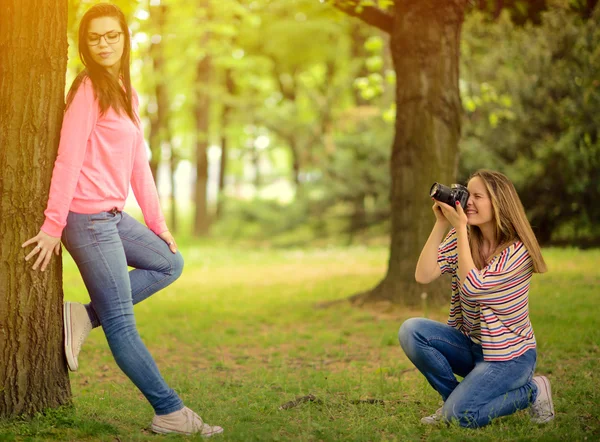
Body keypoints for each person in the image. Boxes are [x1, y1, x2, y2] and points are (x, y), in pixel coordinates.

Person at [21, 3, 223, 437]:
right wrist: (53, 225)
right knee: (121, 321)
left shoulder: (123, 90)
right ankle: (169, 412)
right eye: (95, 38)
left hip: (114, 216)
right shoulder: (88, 89)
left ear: (125, 38)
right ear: (85, 45)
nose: (105, 43)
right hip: (87, 219)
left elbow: (138, 164)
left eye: (112, 35)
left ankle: (81, 317)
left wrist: (159, 224)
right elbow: (67, 157)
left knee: (170, 263)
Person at [398, 170, 555, 428]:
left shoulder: (517, 252)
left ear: (499, 202)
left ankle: (534, 390)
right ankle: (452, 400)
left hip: (510, 358)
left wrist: (459, 228)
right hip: (473, 347)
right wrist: (441, 224)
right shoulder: (466, 237)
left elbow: (473, 288)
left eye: (478, 196)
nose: (468, 202)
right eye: (468, 194)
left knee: (460, 418)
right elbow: (423, 275)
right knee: (411, 331)